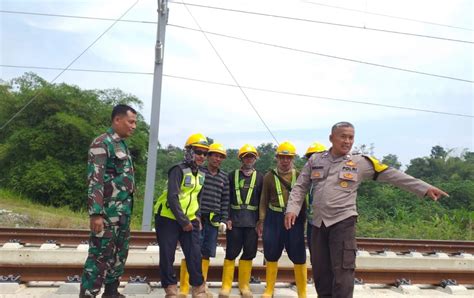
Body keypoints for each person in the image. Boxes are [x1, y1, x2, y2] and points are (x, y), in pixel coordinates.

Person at [285, 121, 449, 298]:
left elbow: (393, 175)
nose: (347, 141)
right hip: (317, 223)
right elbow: (300, 186)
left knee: (343, 273)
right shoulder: (316, 160)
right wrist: (292, 209)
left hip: (343, 222)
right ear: (331, 138)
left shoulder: (360, 162)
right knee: (321, 272)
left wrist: (424, 188)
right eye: (343, 136)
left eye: (351, 137)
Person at [79, 104, 137, 298]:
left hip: (122, 213)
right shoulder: (101, 143)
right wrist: (95, 214)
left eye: (135, 122)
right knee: (99, 257)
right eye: (131, 121)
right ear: (117, 120)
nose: (134, 126)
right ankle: (88, 294)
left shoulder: (121, 144)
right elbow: (95, 180)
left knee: (119, 255)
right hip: (106, 214)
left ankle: (111, 293)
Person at [153, 133, 213, 298]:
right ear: (189, 151)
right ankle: (171, 290)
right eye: (198, 152)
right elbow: (173, 197)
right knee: (167, 254)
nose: (202, 156)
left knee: (194, 253)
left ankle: (199, 289)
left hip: (190, 219)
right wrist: (183, 221)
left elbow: (198, 197)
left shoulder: (201, 174)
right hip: (168, 218)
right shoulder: (178, 170)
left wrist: (198, 217)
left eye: (205, 153)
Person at [179, 143, 230, 297]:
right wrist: (196, 216)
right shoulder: (199, 171)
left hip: (213, 220)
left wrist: (223, 219)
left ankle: (201, 287)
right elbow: (192, 195)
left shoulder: (224, 177)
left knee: (206, 253)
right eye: (215, 155)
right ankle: (183, 288)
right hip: (196, 218)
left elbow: (225, 199)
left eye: (220, 157)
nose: (217, 159)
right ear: (208, 156)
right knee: (191, 251)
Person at [257, 141, 307, 298]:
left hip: (294, 219)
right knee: (271, 252)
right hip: (274, 217)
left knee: (298, 254)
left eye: (288, 157)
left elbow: (303, 202)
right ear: (277, 158)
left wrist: (302, 222)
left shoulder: (299, 176)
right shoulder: (269, 177)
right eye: (282, 157)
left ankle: (302, 291)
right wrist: (262, 220)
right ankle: (269, 289)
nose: (285, 161)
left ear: (293, 159)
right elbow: (263, 200)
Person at [219, 144, 264, 298]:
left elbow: (262, 202)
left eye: (252, 156)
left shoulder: (260, 177)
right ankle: (226, 286)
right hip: (235, 221)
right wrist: (226, 218)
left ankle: (244, 285)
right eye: (246, 156)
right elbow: (226, 198)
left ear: (255, 159)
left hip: (252, 222)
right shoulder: (231, 176)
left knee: (249, 252)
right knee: (231, 252)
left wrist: (261, 221)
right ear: (241, 158)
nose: (249, 159)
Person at [303, 142, 327, 261]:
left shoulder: (331, 177)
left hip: (327, 224)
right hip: (312, 224)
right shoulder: (307, 180)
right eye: (311, 157)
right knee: (316, 259)